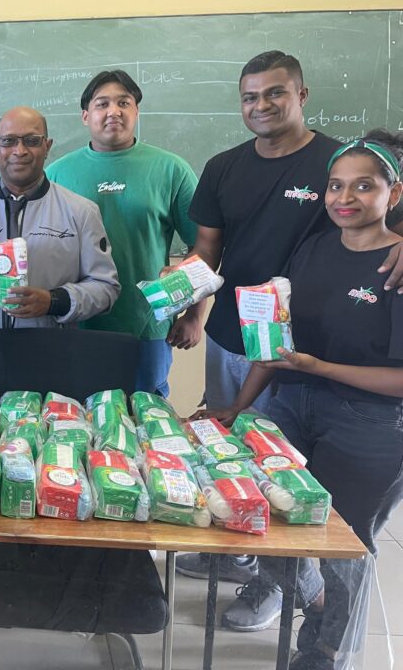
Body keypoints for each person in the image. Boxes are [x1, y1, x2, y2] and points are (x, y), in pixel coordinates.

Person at [175, 51, 403, 630]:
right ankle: (249, 556)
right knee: (244, 469)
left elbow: (381, 209)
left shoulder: (338, 161)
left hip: (327, 364)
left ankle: (282, 595)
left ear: (301, 95)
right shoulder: (225, 167)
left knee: (319, 510)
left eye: (275, 93)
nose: (262, 105)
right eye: (250, 96)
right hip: (247, 345)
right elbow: (208, 251)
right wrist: (186, 297)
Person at [0, 106, 120, 404]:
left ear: (47, 146)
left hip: (51, 365)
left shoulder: (80, 212)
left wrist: (55, 301)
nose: (19, 151)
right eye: (8, 141)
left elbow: (106, 288)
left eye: (32, 141)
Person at [45, 70, 200, 397]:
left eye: (123, 103)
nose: (113, 111)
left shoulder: (171, 169)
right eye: (102, 104)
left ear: (136, 111)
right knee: (76, 416)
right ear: (86, 115)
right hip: (75, 323)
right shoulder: (56, 174)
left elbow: (202, 245)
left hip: (148, 326)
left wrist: (195, 315)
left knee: (145, 414)